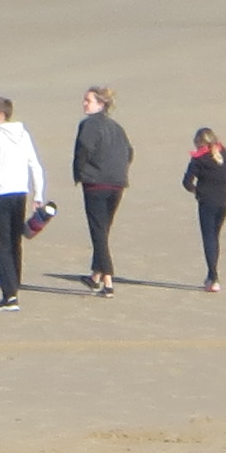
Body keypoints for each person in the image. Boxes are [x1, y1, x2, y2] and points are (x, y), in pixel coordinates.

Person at [0, 96, 47, 309]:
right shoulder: (23, 134)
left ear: (0, 114)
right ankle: (14, 284)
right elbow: (35, 166)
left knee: (2, 246)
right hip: (20, 193)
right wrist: (38, 195)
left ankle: (9, 296)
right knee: (15, 241)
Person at [69, 87, 133, 296]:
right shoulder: (117, 127)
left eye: (88, 100)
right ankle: (95, 276)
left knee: (98, 231)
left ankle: (108, 281)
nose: (84, 103)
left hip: (96, 184)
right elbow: (129, 152)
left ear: (101, 104)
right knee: (102, 230)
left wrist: (79, 173)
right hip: (117, 184)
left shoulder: (89, 124)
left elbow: (83, 150)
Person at [181, 129, 226, 291]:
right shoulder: (225, 155)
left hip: (207, 202)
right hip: (224, 201)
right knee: (215, 237)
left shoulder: (199, 159)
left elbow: (187, 182)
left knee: (209, 238)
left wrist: (197, 191)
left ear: (200, 142)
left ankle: (213, 277)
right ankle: (212, 276)